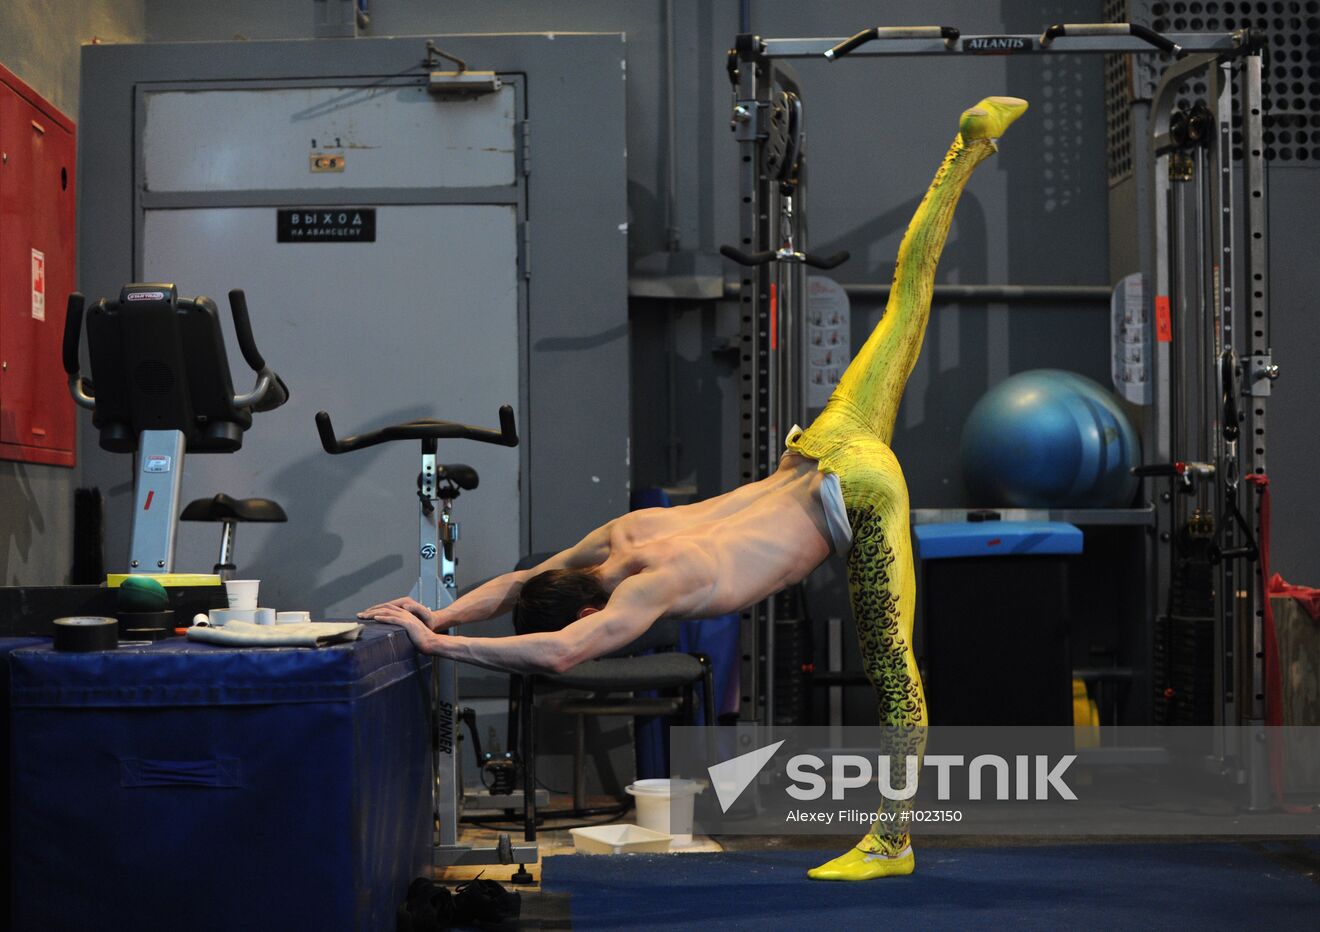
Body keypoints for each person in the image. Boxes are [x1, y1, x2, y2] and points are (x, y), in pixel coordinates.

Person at [361, 95, 1027, 881]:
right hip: (831, 436)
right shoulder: (623, 533)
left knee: (894, 666)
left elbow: (562, 651)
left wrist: (443, 641)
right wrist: (437, 609)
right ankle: (966, 147)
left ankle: (893, 841)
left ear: (589, 603)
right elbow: (518, 584)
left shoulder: (644, 593)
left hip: (857, 493)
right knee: (909, 295)